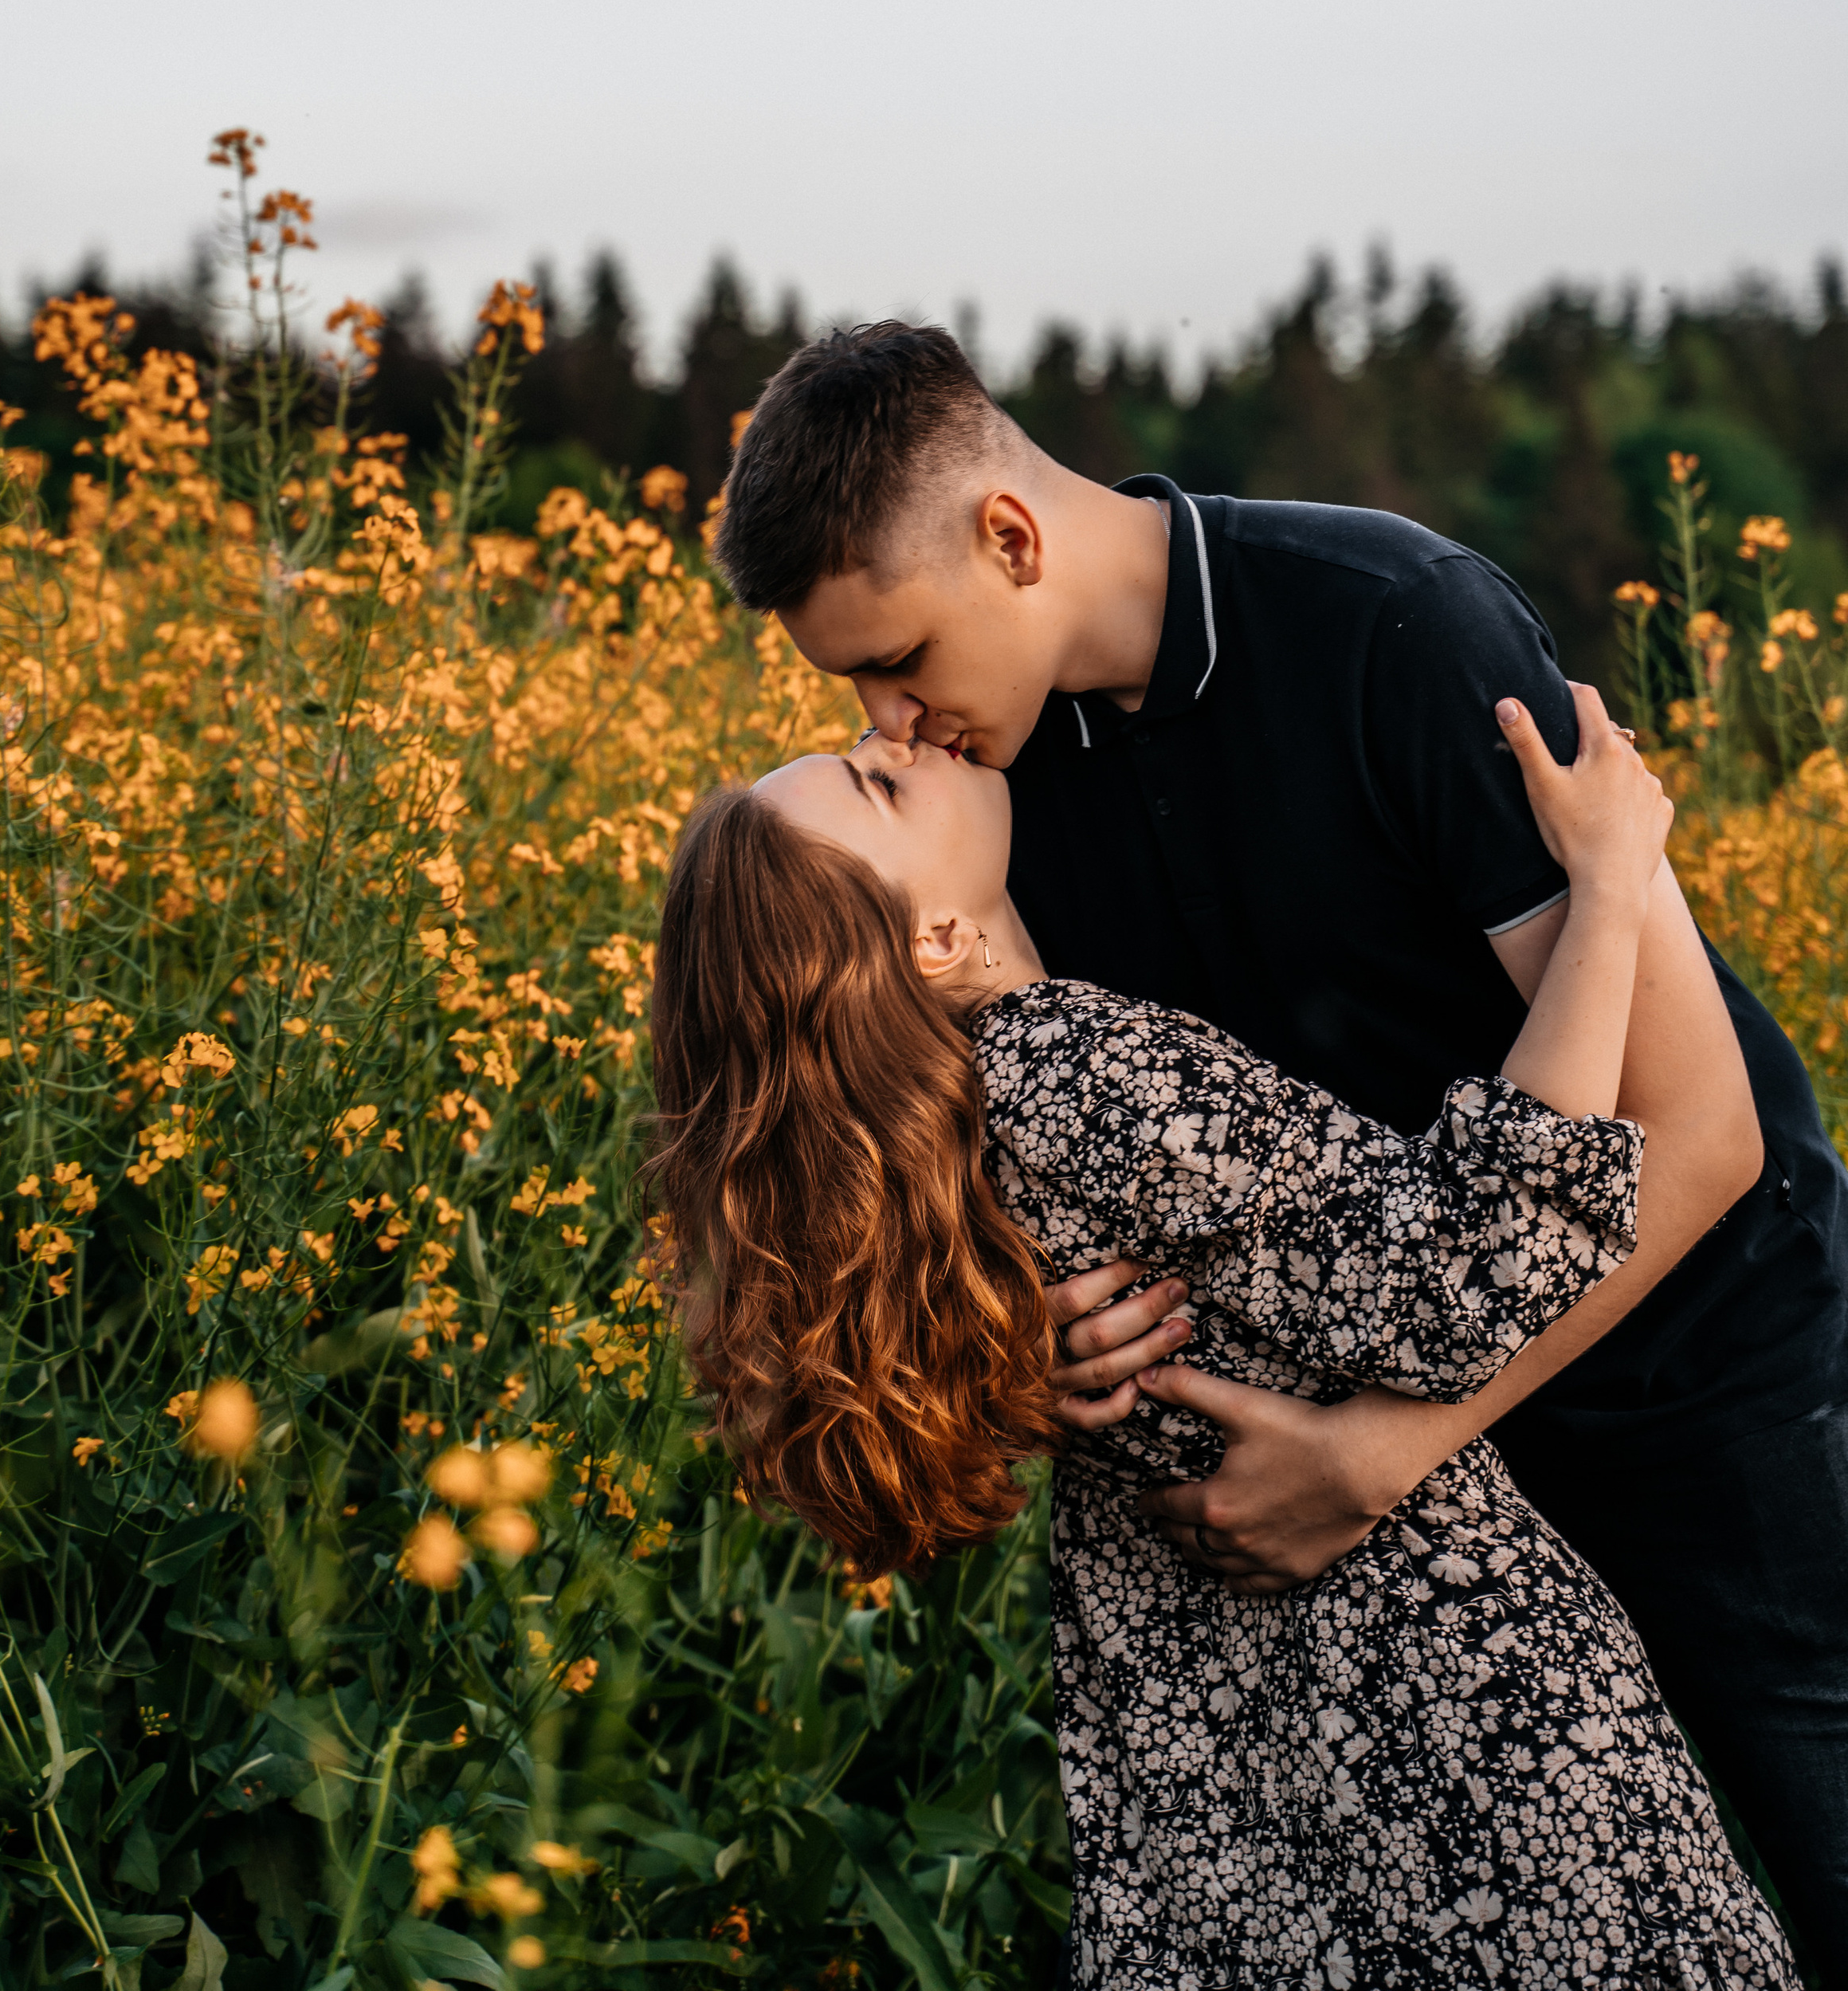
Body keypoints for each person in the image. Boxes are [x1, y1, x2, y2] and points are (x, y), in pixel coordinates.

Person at [710, 322, 1848, 1980]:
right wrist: (1043, 1340)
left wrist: (1389, 1448)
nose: (894, 721)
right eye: (851, 693)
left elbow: (1699, 1136)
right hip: (1409, 1504)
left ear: (1008, 543)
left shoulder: (1393, 629)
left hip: (1691, 1383)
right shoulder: (999, 788)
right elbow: (1031, 1134)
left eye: (897, 658)